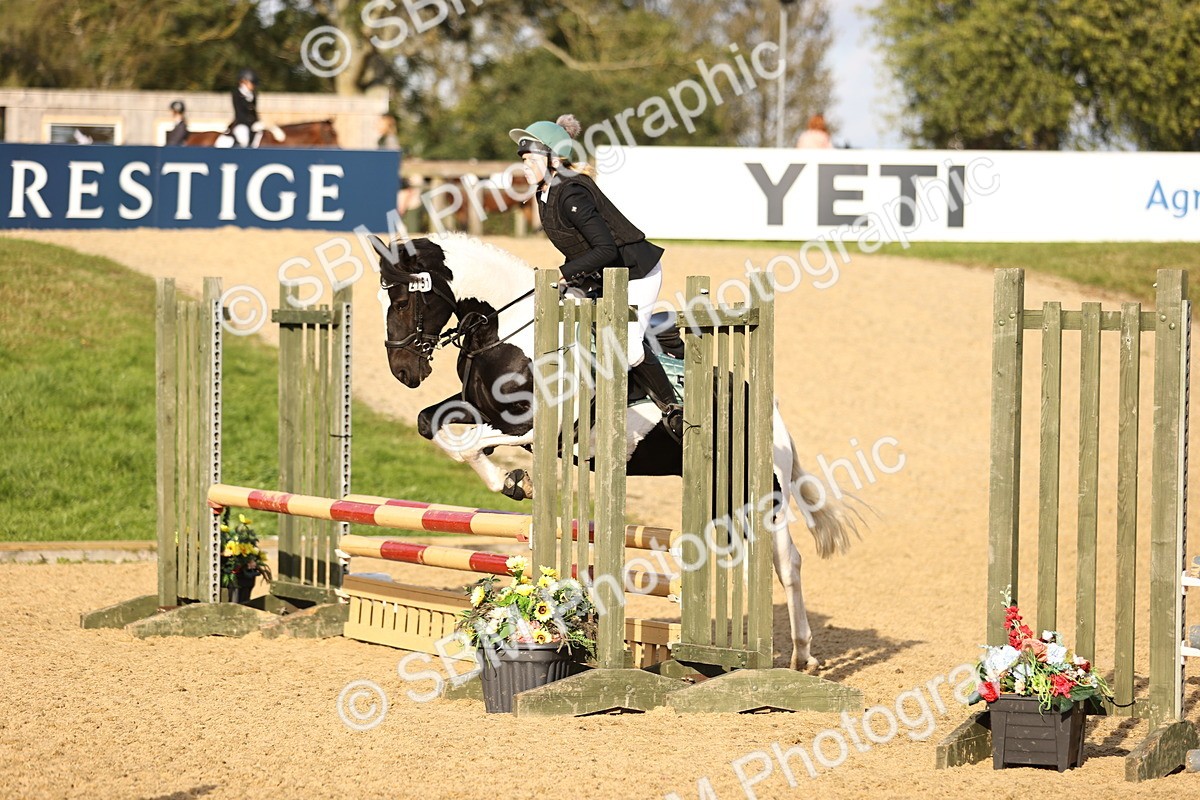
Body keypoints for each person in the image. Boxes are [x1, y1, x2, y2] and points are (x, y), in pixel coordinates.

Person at [508, 114, 683, 440]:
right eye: (523, 160)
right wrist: (563, 277)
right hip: (605, 274)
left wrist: (562, 275)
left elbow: (605, 249)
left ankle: (672, 409)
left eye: (531, 159)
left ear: (553, 160)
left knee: (627, 347)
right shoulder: (545, 194)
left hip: (635, 274)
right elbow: (578, 247)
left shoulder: (571, 194)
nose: (525, 166)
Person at [230, 68, 261, 147]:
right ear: (245, 81)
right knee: (244, 139)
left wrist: (257, 121)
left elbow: (253, 111)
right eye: (252, 83)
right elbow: (240, 113)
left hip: (252, 125)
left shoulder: (252, 95)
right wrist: (250, 122)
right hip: (241, 124)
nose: (253, 86)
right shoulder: (237, 94)